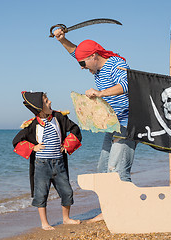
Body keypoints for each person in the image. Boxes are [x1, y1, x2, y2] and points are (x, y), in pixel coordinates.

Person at [53, 29, 137, 222]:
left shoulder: (116, 64)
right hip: (113, 125)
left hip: (127, 122)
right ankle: (109, 210)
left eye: (83, 63)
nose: (82, 67)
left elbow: (128, 85)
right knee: (102, 169)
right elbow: (76, 51)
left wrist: (100, 94)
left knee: (118, 169)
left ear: (93, 56)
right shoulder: (95, 66)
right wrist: (62, 39)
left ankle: (123, 212)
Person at [12, 91, 82, 230]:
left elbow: (75, 129)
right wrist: (33, 147)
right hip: (41, 165)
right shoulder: (31, 125)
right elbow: (16, 141)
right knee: (41, 193)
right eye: (46, 101)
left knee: (67, 191)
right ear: (39, 106)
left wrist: (67, 145)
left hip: (59, 163)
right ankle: (44, 223)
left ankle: (66, 218)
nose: (50, 102)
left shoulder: (59, 117)